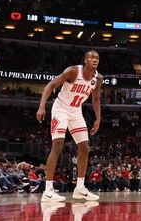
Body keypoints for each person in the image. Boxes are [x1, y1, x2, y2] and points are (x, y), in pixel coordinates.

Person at [37, 50, 103, 202]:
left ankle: (79, 188)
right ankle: (48, 190)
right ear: (85, 60)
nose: (95, 59)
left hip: (76, 111)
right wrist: (41, 107)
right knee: (58, 145)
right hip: (60, 109)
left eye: (97, 58)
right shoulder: (73, 71)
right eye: (91, 57)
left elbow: (96, 99)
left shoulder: (98, 78)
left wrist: (98, 119)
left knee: (85, 148)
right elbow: (50, 85)